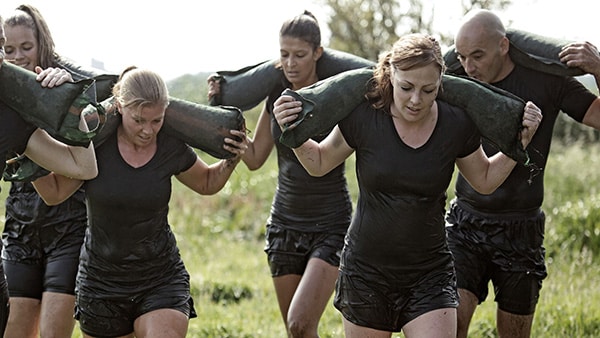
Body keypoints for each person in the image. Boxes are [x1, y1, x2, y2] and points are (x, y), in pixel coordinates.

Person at [272, 33, 542, 338]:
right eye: (406, 88)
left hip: (429, 272)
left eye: (428, 90)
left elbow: (484, 180)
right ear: (390, 76)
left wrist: (517, 145)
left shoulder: (456, 123)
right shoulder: (365, 116)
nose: (416, 100)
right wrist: (291, 131)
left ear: (441, 82)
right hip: (366, 272)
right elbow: (319, 163)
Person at [32, 67, 248, 338]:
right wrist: (26, 149)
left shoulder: (170, 145)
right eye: (139, 120)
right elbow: (54, 192)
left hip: (160, 276)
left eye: (156, 121)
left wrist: (232, 158)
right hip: (101, 282)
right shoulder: (95, 145)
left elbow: (206, 183)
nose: (148, 130)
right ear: (120, 107)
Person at [445, 9, 600, 338]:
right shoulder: (457, 79)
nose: (469, 67)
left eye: (477, 56)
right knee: (450, 327)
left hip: (522, 228)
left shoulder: (547, 80)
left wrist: (599, 69)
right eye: (462, 56)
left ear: (503, 46)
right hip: (466, 222)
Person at [208, 11, 353, 337]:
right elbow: (257, 156)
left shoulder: (337, 96)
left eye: (299, 55)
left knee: (300, 321)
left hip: (331, 222)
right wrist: (233, 137)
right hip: (284, 224)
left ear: (318, 53)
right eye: (284, 54)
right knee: (297, 331)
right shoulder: (276, 95)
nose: (290, 63)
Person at [0, 14, 98, 336]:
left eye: (23, 46)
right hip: (20, 230)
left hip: (66, 227)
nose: (12, 56)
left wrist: (68, 103)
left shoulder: (15, 115)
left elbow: (80, 170)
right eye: (7, 47)